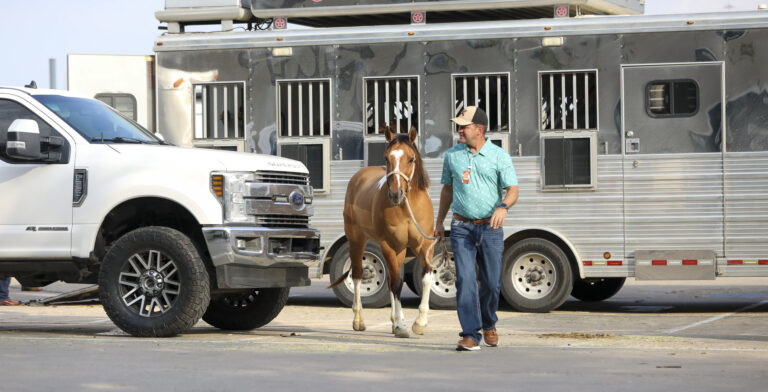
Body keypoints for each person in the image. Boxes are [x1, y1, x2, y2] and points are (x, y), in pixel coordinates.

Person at [434, 106, 519, 351]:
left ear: (479, 130)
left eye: (464, 126)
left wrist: (503, 207)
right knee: (465, 280)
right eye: (459, 126)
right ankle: (470, 333)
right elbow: (447, 190)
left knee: (492, 283)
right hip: (461, 227)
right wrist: (439, 221)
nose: (459, 130)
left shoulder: (499, 156)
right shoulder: (452, 155)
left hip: (490, 229)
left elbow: (513, 189)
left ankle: (489, 323)